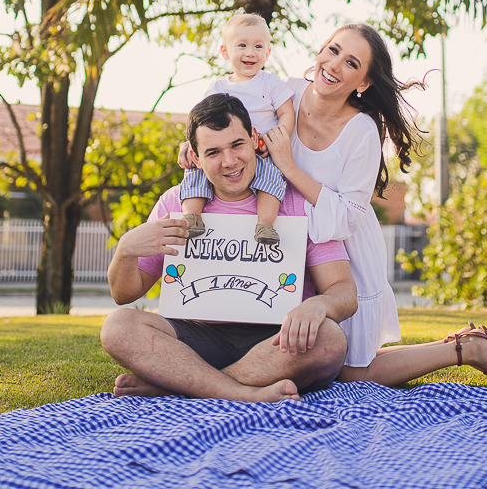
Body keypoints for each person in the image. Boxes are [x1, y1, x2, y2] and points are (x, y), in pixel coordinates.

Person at [263, 23, 487, 388]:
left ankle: (465, 349)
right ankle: (466, 345)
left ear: (364, 83)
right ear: (321, 50)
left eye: (352, 63)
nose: (335, 64)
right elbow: (230, 123)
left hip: (345, 255)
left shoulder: (361, 131)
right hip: (288, 246)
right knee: (305, 356)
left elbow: (349, 218)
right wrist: (192, 147)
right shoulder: (283, 93)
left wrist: (289, 167)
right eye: (334, 50)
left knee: (352, 372)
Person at [102, 93, 358, 402]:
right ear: (194, 157)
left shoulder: (296, 200)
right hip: (197, 337)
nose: (229, 161)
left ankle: (180, 385)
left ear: (253, 138)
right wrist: (125, 250)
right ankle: (239, 392)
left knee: (329, 339)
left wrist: (320, 305)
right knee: (118, 327)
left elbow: (344, 290)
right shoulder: (175, 202)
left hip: (277, 342)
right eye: (213, 152)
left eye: (237, 145)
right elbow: (124, 294)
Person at [177, 13, 296, 246]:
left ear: (267, 53)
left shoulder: (270, 82)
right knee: (195, 169)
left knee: (272, 178)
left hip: (262, 150)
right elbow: (201, 122)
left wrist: (277, 137)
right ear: (225, 52)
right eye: (242, 45)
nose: (250, 52)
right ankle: (192, 217)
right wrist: (189, 145)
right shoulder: (217, 87)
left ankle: (265, 224)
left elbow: (287, 113)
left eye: (258, 46)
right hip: (226, 150)